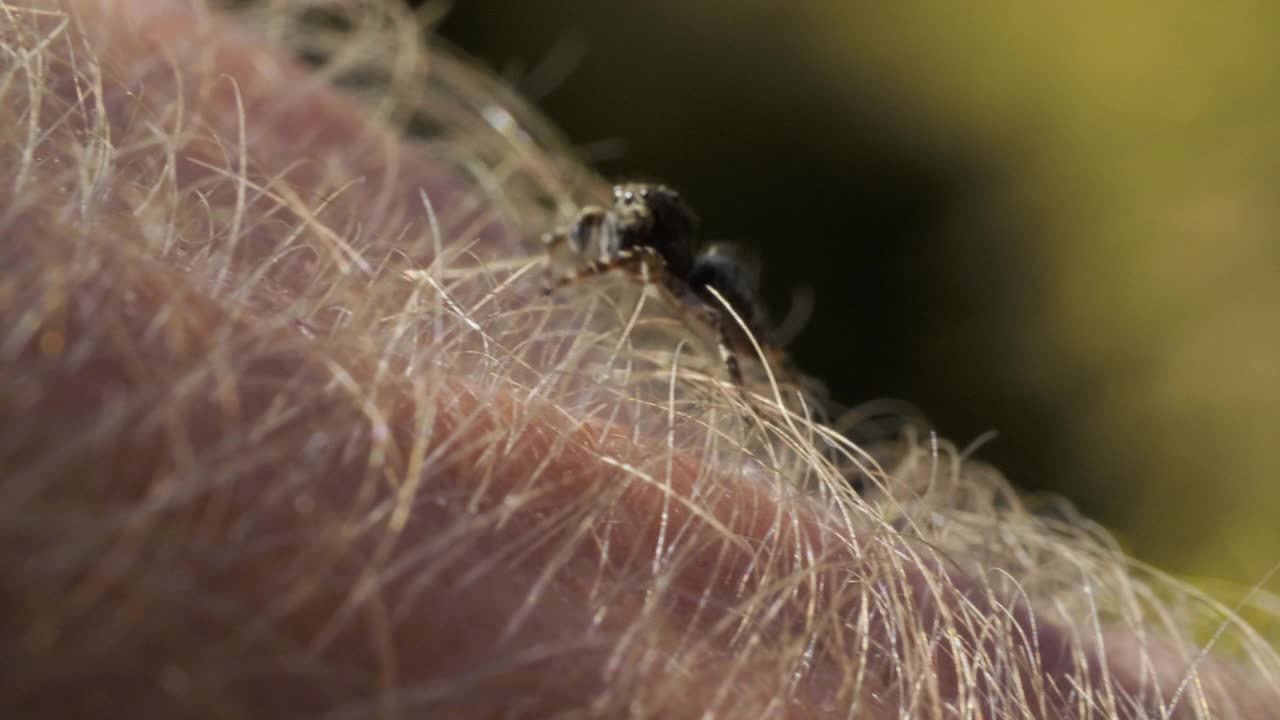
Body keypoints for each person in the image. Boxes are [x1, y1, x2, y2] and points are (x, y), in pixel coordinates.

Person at [2, 1, 1276, 717]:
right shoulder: (632, 246)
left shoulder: (687, 289)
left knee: (728, 359)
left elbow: (693, 315)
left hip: (714, 314)